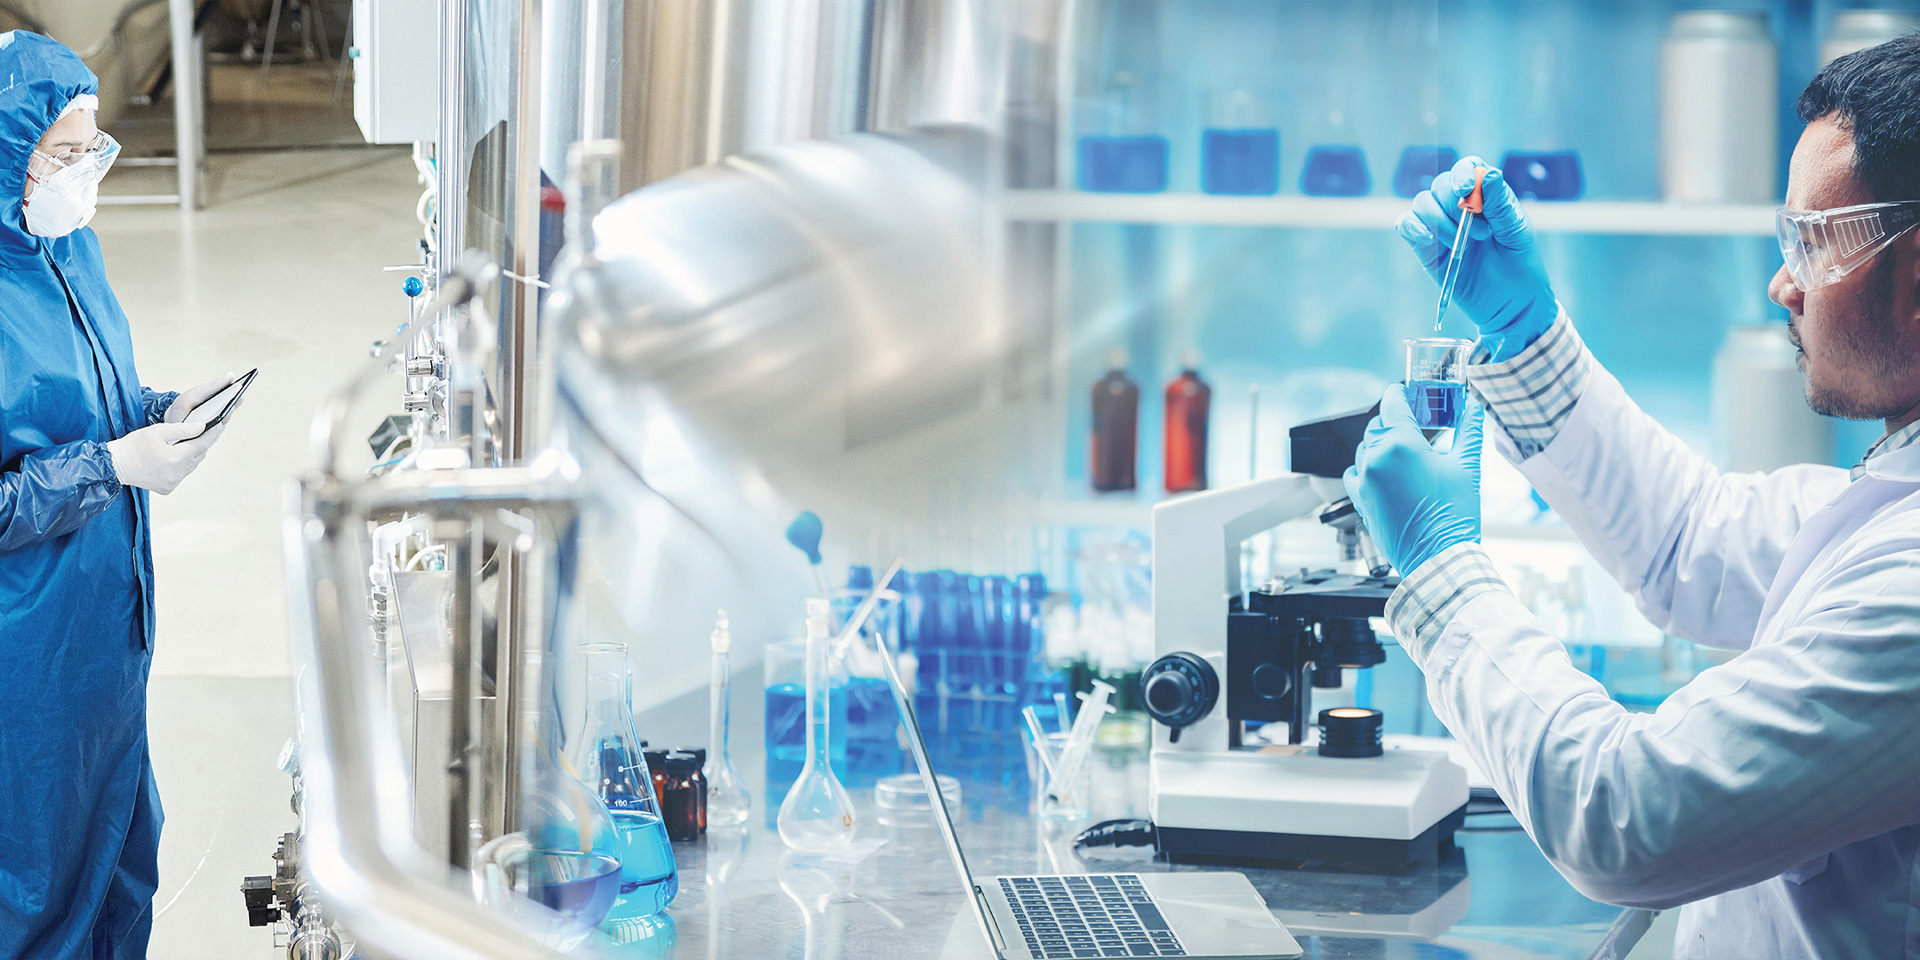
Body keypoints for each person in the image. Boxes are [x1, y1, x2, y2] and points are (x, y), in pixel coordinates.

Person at [1344, 34, 1920, 959]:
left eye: (1810, 244)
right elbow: (1690, 538)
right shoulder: (1892, 497)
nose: (1783, 286)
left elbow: (1625, 815)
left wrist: (1440, 569)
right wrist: (1527, 332)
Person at [0, 33, 237, 959]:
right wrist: (113, 468)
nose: (85, 170)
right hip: (29, 664)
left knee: (124, 863)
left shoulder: (67, 247)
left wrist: (161, 410)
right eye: (65, 152)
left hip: (107, 635)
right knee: (36, 894)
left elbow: (85, 406)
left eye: (94, 146)